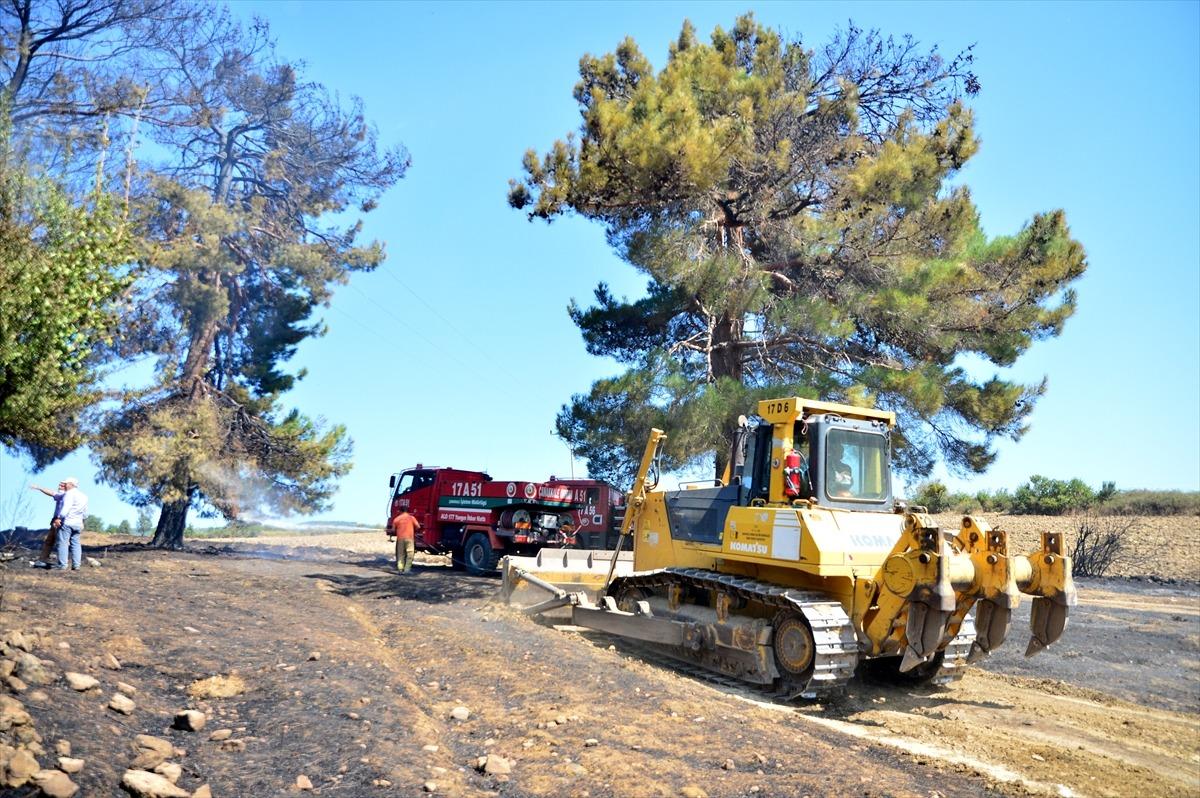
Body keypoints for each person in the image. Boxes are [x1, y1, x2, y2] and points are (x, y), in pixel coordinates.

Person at [28, 481, 66, 568]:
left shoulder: (65, 495)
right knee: (49, 541)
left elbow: (51, 493)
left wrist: (39, 487)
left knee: (61, 542)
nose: (59, 486)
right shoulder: (61, 495)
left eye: (62, 485)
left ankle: (63, 563)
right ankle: (42, 560)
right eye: (59, 484)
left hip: (60, 521)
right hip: (55, 520)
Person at [55, 477, 88, 571]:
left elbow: (66, 508)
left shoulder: (69, 494)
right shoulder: (84, 496)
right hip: (78, 524)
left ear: (71, 484)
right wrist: (82, 522)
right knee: (76, 544)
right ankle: (76, 565)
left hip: (67, 522)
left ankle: (62, 565)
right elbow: (85, 513)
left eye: (66, 483)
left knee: (63, 543)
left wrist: (59, 518)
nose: (64, 485)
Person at [391, 507, 421, 574]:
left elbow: (393, 530)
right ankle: (407, 570)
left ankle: (400, 570)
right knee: (410, 554)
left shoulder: (396, 519)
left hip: (400, 539)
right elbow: (418, 526)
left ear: (400, 511)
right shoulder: (411, 518)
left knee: (400, 554)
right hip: (409, 538)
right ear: (407, 511)